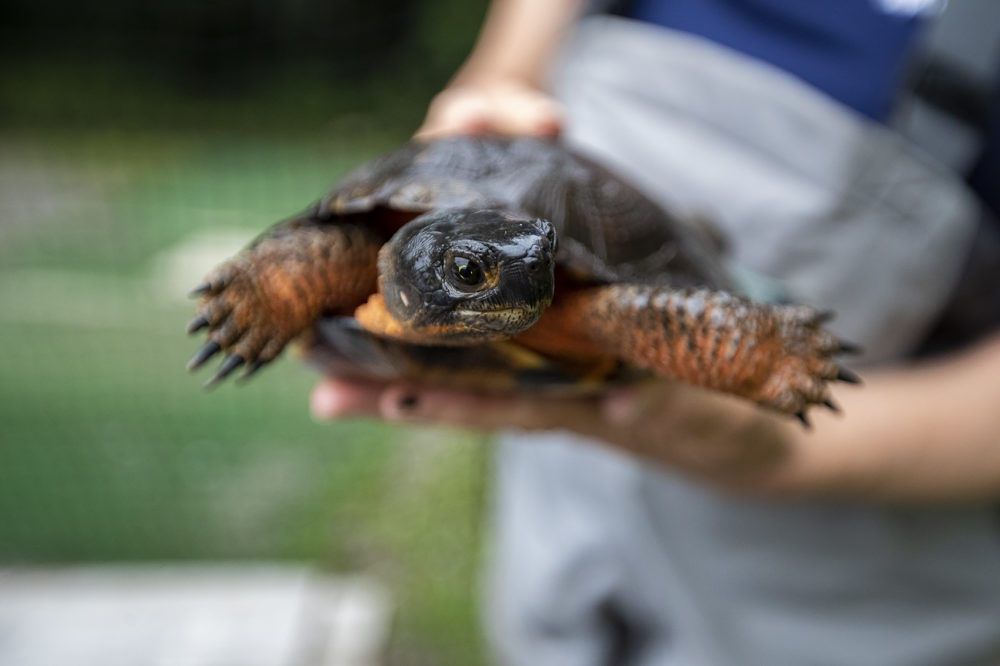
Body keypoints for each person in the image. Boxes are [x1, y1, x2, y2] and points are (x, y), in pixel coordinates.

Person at [314, 1, 1000, 664]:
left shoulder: (604, 314)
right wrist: (494, 97)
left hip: (847, 577)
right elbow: (504, 75)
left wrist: (780, 439)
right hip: (564, 528)